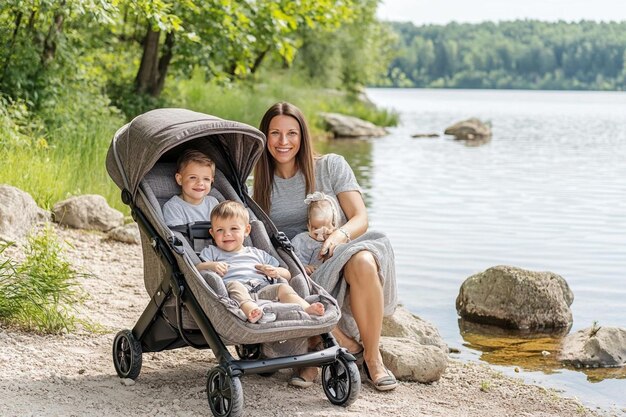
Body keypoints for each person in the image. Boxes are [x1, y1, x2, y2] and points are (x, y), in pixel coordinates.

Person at [253, 102, 398, 391]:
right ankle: (334, 347)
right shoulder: (259, 186)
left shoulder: (331, 166)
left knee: (364, 259)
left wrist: (339, 237)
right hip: (297, 262)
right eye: (275, 134)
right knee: (297, 281)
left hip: (338, 250)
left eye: (291, 133)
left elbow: (361, 217)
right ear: (264, 137)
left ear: (303, 136)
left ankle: (372, 357)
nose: (283, 142)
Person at [197, 200, 325, 325]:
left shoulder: (257, 253)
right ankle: (251, 311)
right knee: (235, 286)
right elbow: (196, 269)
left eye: (234, 228)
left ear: (246, 230)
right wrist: (211, 265)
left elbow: (287, 273)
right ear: (212, 233)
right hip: (235, 291)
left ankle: (306, 308)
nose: (227, 234)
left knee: (284, 288)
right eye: (220, 230)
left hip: (262, 288)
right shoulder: (211, 252)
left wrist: (275, 271)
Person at [162, 149, 220, 227]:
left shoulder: (213, 203)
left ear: (211, 181)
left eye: (206, 179)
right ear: (179, 179)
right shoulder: (173, 207)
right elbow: (178, 236)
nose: (200, 183)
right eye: (193, 177)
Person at [291, 191, 338, 275]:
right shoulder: (300, 240)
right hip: (306, 275)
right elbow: (293, 257)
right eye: (315, 229)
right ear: (309, 225)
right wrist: (303, 266)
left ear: (333, 226)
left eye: (325, 232)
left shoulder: (334, 240)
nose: (320, 237)